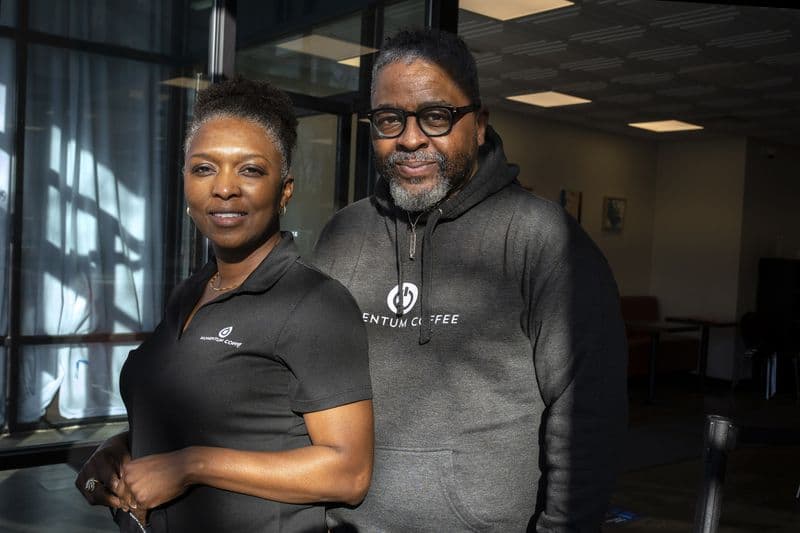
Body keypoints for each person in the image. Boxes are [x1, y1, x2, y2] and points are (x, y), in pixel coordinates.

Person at [313, 29, 627, 532]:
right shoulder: (343, 235)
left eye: (436, 116)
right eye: (390, 119)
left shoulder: (542, 239)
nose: (411, 139)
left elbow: (588, 415)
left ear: (479, 125)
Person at [75, 78, 374, 533]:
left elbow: (348, 472)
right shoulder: (191, 291)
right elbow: (219, 417)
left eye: (250, 170)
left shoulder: (314, 303)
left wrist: (192, 465)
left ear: (286, 191)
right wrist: (122, 447)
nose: (225, 189)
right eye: (203, 169)